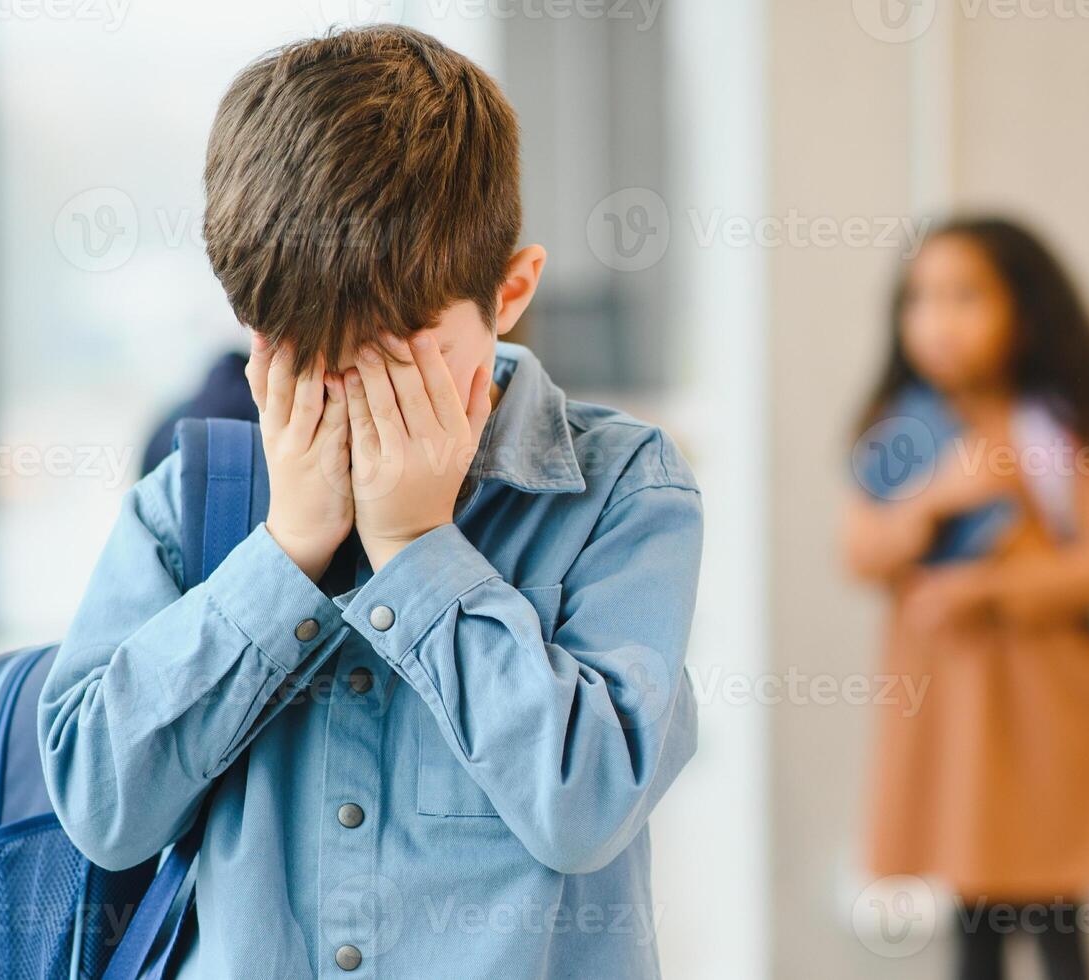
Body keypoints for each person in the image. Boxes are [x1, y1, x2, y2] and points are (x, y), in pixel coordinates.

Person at [38, 26, 702, 979]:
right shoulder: (192, 496)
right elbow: (103, 811)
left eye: (397, 355)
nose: (355, 396)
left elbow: (584, 808)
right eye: (310, 352)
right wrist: (286, 552)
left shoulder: (621, 492)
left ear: (509, 293)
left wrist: (417, 548)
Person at [844, 217, 1089, 980]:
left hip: (1046, 702)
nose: (937, 321)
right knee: (972, 900)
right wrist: (934, 499)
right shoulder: (899, 431)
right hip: (952, 707)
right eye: (919, 300)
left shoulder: (1057, 427)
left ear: (1026, 311)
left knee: (1053, 901)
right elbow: (859, 552)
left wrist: (985, 587)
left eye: (965, 297)